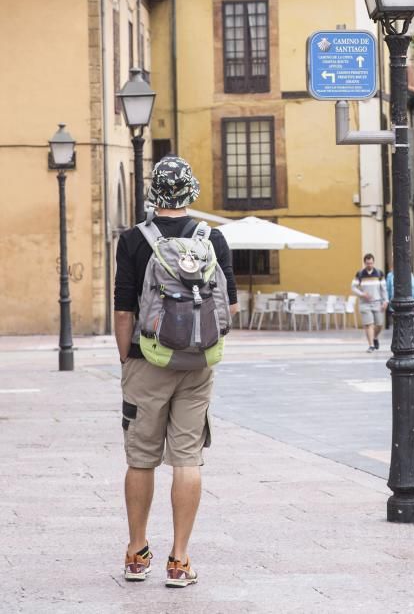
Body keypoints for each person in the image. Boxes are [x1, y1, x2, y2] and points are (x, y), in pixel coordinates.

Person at [114, 155, 239, 586]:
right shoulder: (213, 239)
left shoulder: (133, 239)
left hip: (146, 359)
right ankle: (179, 560)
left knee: (141, 459)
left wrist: (127, 357)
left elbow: (123, 309)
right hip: (198, 362)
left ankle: (136, 553)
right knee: (187, 459)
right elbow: (231, 307)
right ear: (192, 192)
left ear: (153, 193)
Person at [351, 253, 388, 353]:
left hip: (377, 302)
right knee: (369, 324)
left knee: (379, 324)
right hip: (364, 303)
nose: (369, 265)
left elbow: (384, 289)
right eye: (367, 263)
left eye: (371, 263)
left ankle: (375, 337)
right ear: (364, 263)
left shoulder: (379, 274)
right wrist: (362, 294)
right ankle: (371, 345)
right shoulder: (359, 274)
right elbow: (353, 288)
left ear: (373, 262)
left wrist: (386, 301)